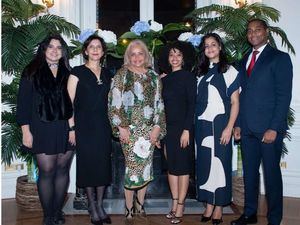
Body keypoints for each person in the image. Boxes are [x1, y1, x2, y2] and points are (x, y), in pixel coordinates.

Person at [231, 19, 293, 225]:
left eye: (257, 29)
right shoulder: (244, 60)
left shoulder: (279, 58)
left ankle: (274, 219)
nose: (253, 33)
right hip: (247, 128)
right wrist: (238, 124)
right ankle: (250, 214)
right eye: (249, 30)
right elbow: (241, 95)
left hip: (268, 129)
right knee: (249, 174)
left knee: (272, 175)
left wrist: (274, 128)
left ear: (266, 32)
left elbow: (284, 97)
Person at [16, 35, 74, 225]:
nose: (55, 50)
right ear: (43, 49)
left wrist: (74, 128)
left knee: (63, 169)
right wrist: (26, 131)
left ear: (63, 52)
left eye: (59, 47)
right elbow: (23, 103)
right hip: (40, 128)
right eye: (51, 47)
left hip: (65, 127)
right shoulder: (31, 70)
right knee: (47, 170)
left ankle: (57, 211)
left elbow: (74, 103)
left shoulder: (68, 72)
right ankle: (48, 215)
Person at [108, 39, 166, 219]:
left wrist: (157, 129)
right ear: (128, 57)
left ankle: (139, 206)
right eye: (132, 54)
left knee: (146, 169)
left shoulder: (154, 77)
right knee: (132, 170)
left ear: (146, 55)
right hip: (129, 131)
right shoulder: (121, 74)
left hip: (149, 131)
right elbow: (113, 103)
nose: (136, 57)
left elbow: (159, 104)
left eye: (140, 53)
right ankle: (128, 208)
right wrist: (120, 127)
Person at [67, 35, 113, 225]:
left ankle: (100, 205)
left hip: (103, 125)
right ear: (85, 51)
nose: (95, 50)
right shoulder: (76, 72)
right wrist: (71, 128)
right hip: (83, 126)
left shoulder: (108, 74)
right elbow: (68, 103)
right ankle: (92, 207)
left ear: (103, 52)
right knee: (87, 166)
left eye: (99, 47)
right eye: (91, 47)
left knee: (102, 166)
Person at [195, 33, 240, 225]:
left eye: (213, 44)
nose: (210, 48)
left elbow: (235, 102)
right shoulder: (200, 72)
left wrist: (229, 128)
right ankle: (208, 205)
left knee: (220, 165)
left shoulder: (230, 71)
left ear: (220, 47)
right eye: (206, 46)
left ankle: (219, 207)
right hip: (202, 125)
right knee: (205, 164)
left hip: (221, 125)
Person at [158, 41, 196, 224]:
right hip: (167, 129)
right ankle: (174, 203)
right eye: (171, 55)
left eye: (178, 55)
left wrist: (187, 130)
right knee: (171, 168)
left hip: (183, 129)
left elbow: (192, 105)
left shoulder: (188, 77)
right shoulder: (163, 79)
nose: (174, 58)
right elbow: (159, 107)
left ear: (184, 58)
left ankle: (181, 205)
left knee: (183, 168)